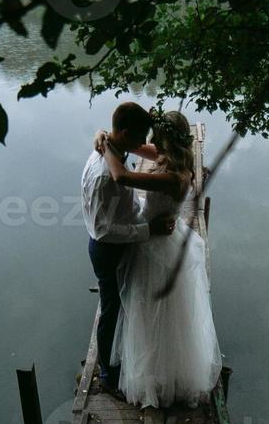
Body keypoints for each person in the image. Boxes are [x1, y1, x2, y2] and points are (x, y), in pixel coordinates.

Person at [94, 110, 223, 408]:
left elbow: (121, 176)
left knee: (153, 313)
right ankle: (158, 367)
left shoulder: (173, 177)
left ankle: (157, 375)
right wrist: (103, 135)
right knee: (153, 312)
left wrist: (105, 148)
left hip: (156, 246)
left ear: (168, 141)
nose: (151, 142)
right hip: (161, 236)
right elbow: (134, 148)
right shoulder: (172, 158)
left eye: (157, 138)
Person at [81, 101, 175, 397]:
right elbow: (103, 229)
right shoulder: (104, 175)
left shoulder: (115, 151)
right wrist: (149, 230)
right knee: (111, 308)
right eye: (139, 137)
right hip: (108, 248)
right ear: (123, 132)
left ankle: (123, 355)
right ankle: (108, 374)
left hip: (122, 240)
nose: (143, 144)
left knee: (121, 303)